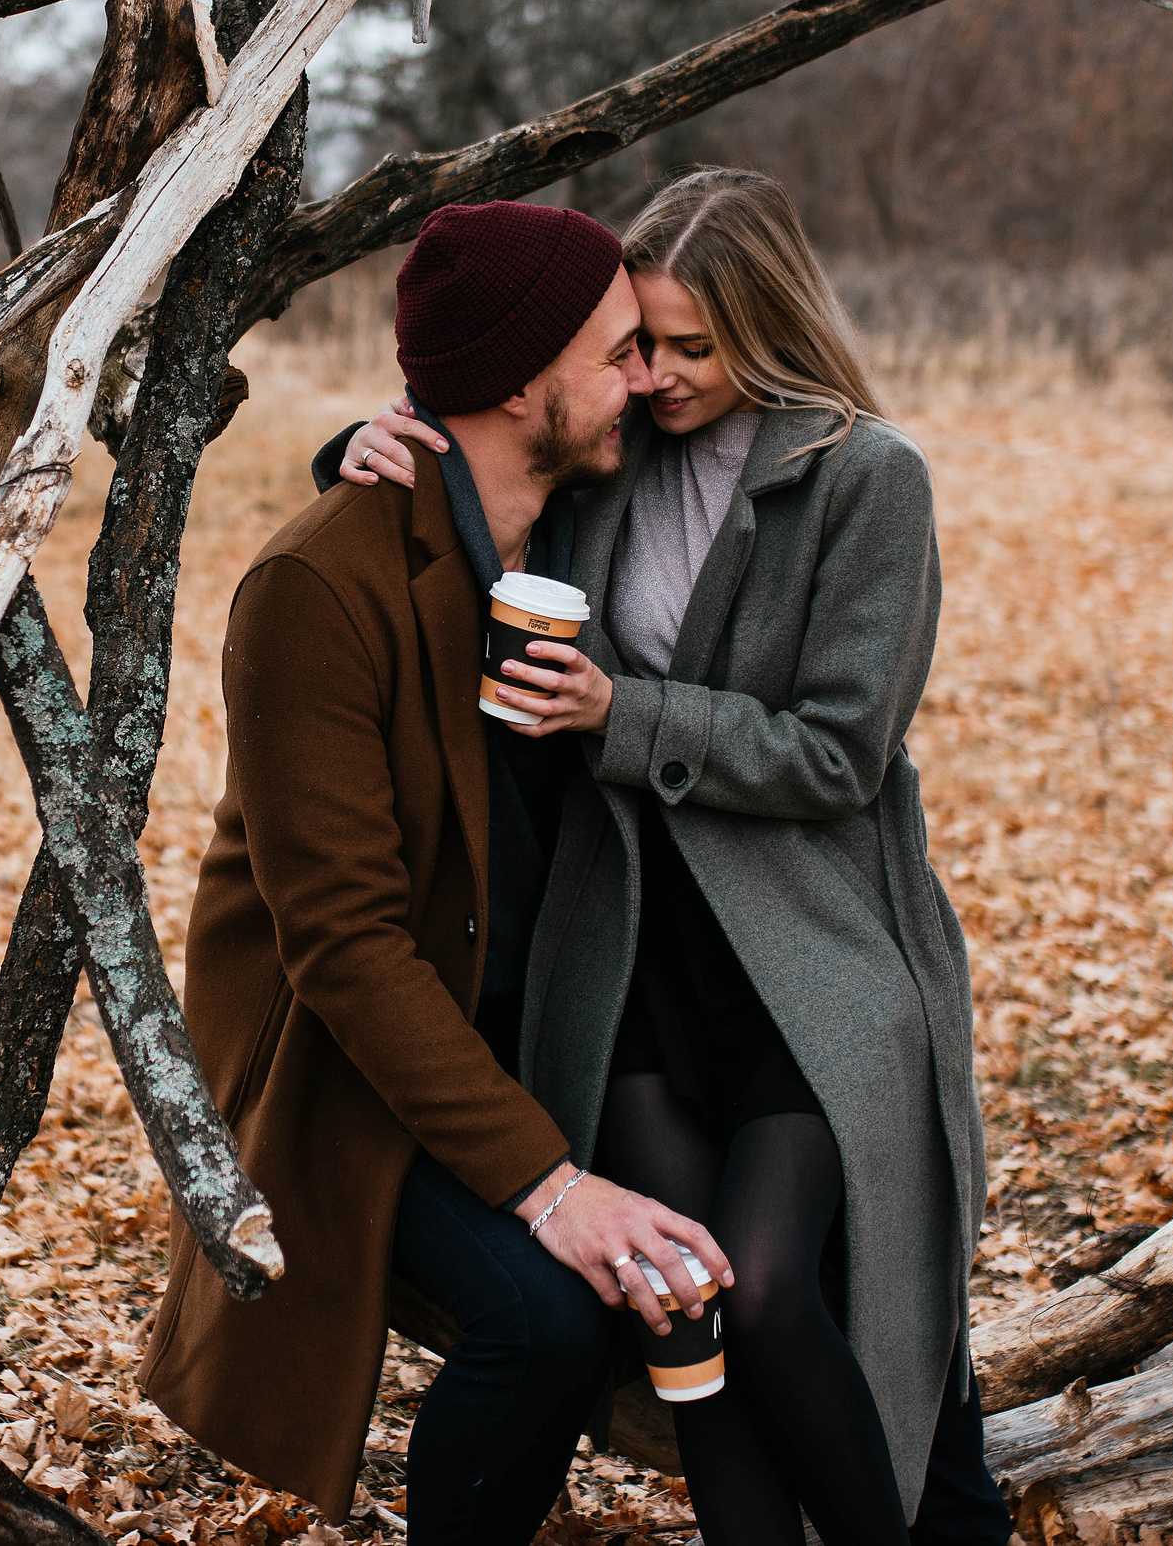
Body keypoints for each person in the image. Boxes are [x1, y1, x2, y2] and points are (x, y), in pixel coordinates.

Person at [325, 168, 1003, 1545]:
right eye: (643, 342)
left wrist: (623, 717)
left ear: (769, 328)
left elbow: (840, 754)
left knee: (760, 1281)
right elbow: (489, 475)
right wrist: (356, 444)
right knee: (681, 1299)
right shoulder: (612, 453)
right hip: (628, 954)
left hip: (811, 959)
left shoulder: (866, 479)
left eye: (695, 346)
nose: (659, 373)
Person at [137, 201, 736, 1546]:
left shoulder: (576, 527)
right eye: (622, 352)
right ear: (525, 381)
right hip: (338, 1074)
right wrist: (553, 1189)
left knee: (760, 1243)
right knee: (546, 1316)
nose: (648, 381)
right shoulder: (315, 589)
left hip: (516, 1029)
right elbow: (343, 950)